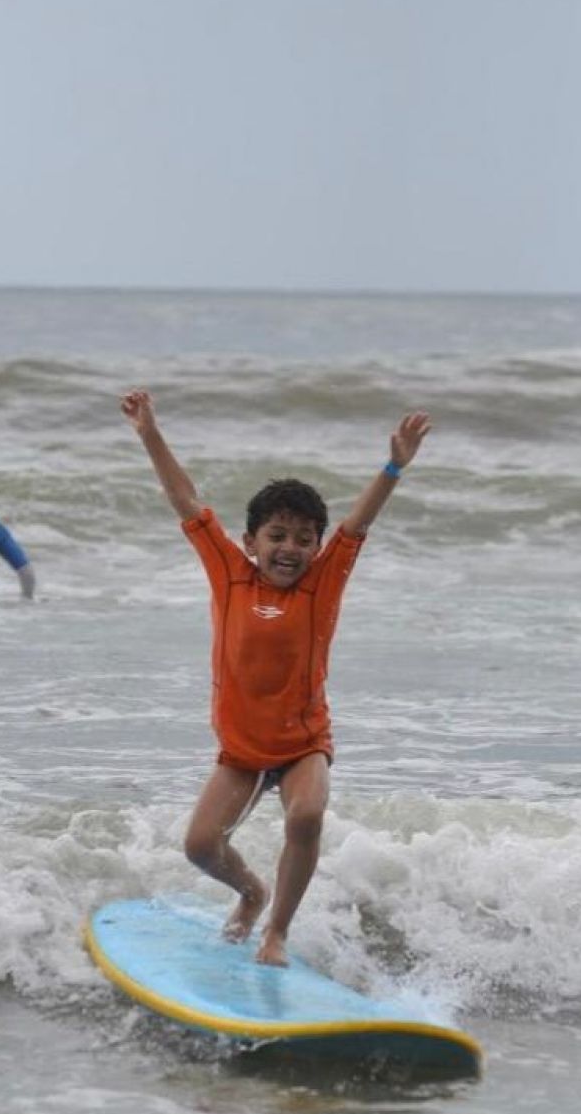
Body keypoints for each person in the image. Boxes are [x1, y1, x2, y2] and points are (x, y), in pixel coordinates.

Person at [121, 388, 430, 966]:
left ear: (317, 547)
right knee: (199, 847)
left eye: (303, 539)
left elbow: (358, 525)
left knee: (307, 816)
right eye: (277, 536)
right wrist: (150, 435)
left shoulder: (322, 582)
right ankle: (251, 893)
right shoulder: (230, 575)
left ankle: (277, 932)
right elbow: (185, 501)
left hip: (301, 742)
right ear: (251, 543)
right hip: (241, 749)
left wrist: (393, 466)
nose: (290, 548)